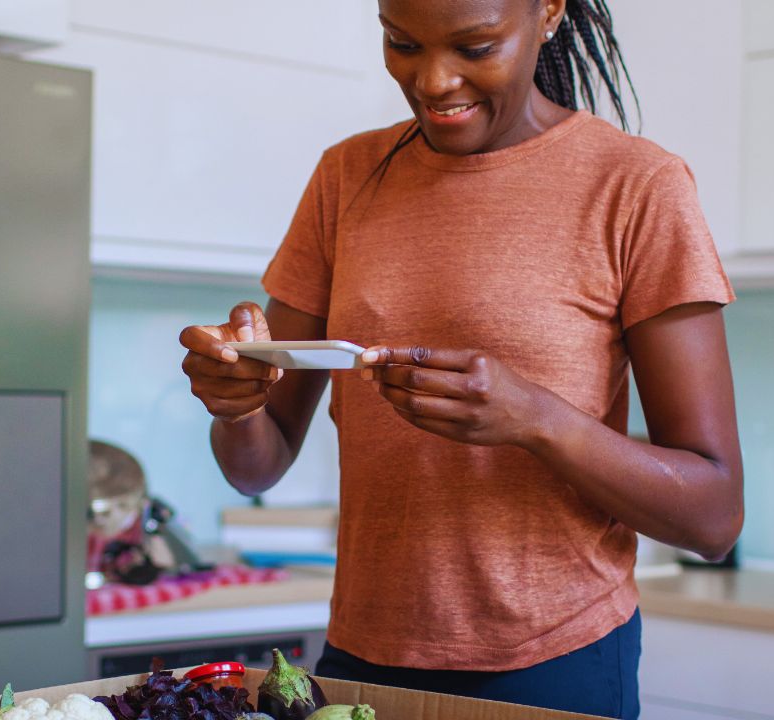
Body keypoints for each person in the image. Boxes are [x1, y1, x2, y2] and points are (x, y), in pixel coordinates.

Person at [178, 0, 743, 716]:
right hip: (361, 658)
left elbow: (714, 517)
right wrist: (239, 404)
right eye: (402, 43)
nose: (435, 80)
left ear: (547, 13)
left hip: (554, 662)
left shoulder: (637, 187)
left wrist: (536, 419)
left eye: (475, 48)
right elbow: (256, 465)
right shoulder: (346, 178)